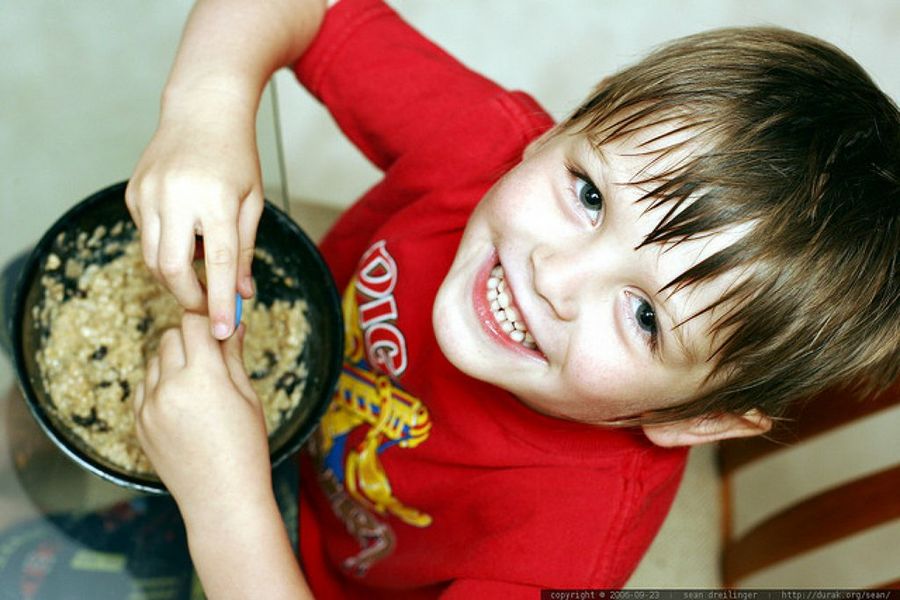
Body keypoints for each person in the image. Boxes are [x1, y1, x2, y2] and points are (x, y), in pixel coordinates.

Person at [125, 0, 900, 597]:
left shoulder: (564, 551)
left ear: (701, 421)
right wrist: (206, 111)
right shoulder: (484, 146)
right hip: (256, 397)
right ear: (566, 127)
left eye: (645, 316)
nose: (553, 277)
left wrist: (225, 507)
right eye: (590, 195)